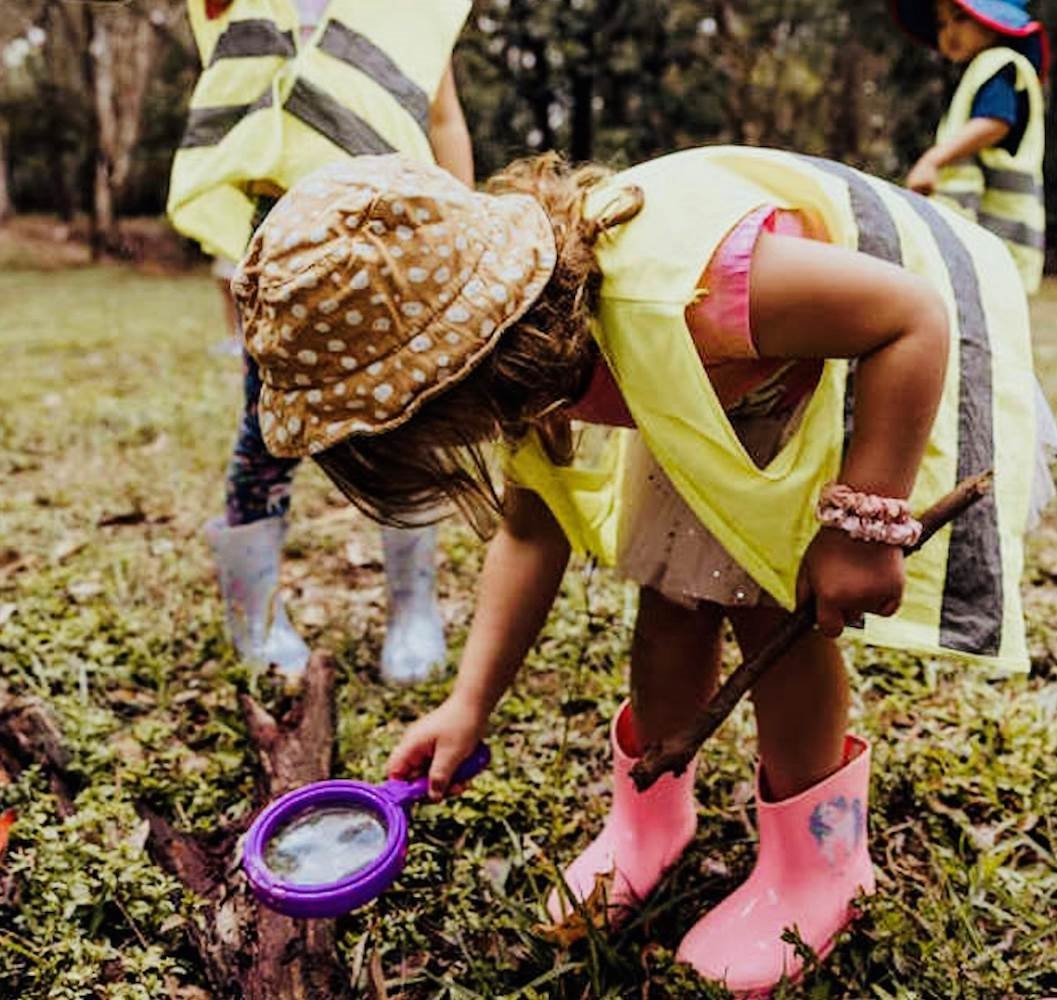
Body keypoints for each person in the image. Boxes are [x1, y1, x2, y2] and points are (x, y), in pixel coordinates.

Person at [230, 146, 1041, 993]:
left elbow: (908, 315)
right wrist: (468, 704)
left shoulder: (691, 293)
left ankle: (820, 865)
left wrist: (863, 524)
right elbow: (528, 531)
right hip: (710, 392)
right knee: (669, 596)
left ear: (456, 373)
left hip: (870, 360)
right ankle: (649, 817)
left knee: (770, 607)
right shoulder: (521, 360)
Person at [166, 0, 474, 680]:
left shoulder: (406, 11)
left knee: (406, 417)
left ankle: (412, 606)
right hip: (282, 246)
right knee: (269, 423)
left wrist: (465, 221)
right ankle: (255, 614)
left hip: (388, 239)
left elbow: (442, 114)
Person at [897, 0, 1048, 294]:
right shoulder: (980, 73)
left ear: (995, 24)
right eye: (942, 24)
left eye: (961, 18)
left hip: (997, 231)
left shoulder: (1000, 64)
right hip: (981, 232)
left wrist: (933, 159)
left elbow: (996, 122)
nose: (950, 31)